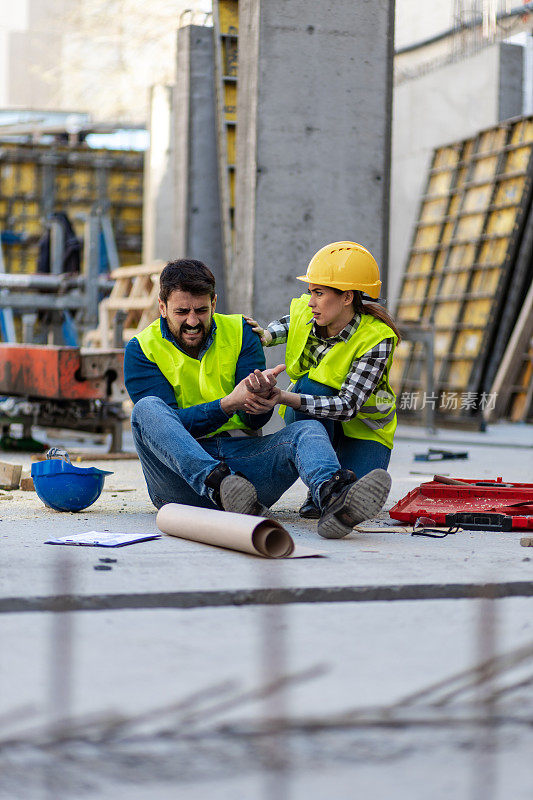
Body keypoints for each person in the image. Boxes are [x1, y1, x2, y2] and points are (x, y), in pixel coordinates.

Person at [124, 258, 392, 539]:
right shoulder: (142, 349)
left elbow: (257, 420)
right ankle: (216, 484)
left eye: (201, 310)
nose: (193, 321)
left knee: (307, 430)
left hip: (245, 478)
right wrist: (228, 404)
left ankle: (333, 498)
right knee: (146, 409)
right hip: (179, 482)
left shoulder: (240, 331)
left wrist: (261, 398)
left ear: (214, 303)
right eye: (182, 312)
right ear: (162, 307)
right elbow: (166, 430)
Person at [244, 241, 400, 520]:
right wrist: (264, 335)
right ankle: (319, 489)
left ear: (347, 297)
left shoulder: (376, 338)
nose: (311, 301)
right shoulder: (308, 311)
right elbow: (287, 324)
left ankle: (329, 494)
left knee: (357, 495)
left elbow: (348, 405)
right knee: (313, 385)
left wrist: (283, 397)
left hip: (362, 426)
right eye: (310, 292)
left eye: (319, 293)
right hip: (315, 417)